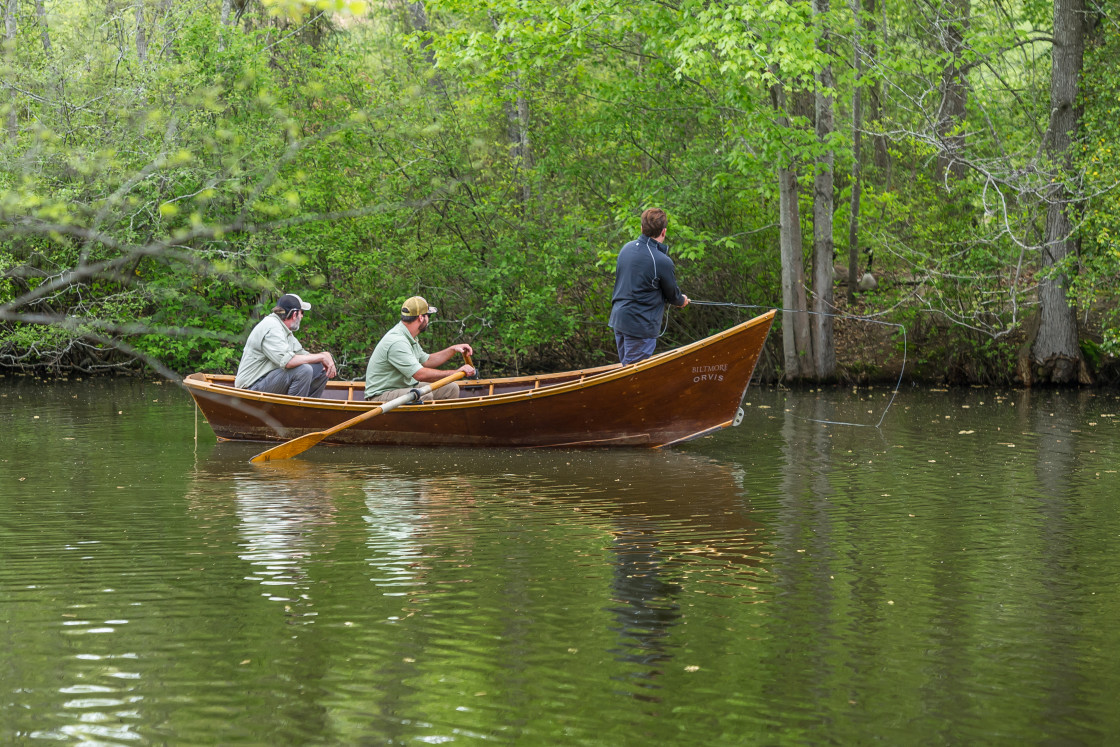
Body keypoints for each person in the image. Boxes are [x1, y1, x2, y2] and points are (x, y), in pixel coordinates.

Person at [608, 208, 689, 365]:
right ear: (664, 232)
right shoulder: (662, 261)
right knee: (633, 376)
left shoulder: (626, 249)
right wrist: (682, 301)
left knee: (628, 370)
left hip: (619, 319)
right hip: (639, 326)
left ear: (641, 228)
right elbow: (673, 295)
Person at [365, 296, 476, 402]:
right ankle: (424, 422)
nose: (428, 320)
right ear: (421, 317)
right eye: (429, 316)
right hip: (381, 395)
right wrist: (456, 372)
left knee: (451, 388)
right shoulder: (397, 341)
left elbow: (426, 361)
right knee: (423, 394)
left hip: (402, 387)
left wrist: (453, 349)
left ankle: (441, 422)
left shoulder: (409, 336)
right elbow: (420, 374)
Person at [234, 293, 337, 398]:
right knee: (304, 370)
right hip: (250, 389)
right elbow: (288, 361)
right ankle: (293, 412)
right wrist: (321, 356)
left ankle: (308, 409)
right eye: (302, 313)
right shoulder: (272, 327)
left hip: (268, 381)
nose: (301, 317)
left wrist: (324, 355)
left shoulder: (283, 329)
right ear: (294, 314)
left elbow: (303, 355)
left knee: (322, 367)